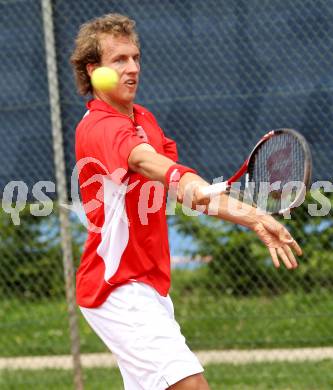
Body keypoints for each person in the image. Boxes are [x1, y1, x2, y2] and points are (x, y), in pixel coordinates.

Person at [70, 13, 302, 390]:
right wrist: (183, 177)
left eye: (135, 57)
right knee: (190, 385)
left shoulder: (144, 119)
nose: (132, 68)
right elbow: (149, 161)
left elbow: (185, 191)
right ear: (94, 71)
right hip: (116, 287)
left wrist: (254, 216)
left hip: (149, 285)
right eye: (119, 60)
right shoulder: (99, 127)